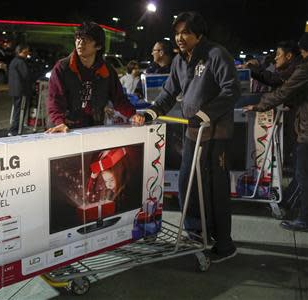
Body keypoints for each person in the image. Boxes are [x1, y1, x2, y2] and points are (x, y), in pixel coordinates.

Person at [143, 11, 241, 262]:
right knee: (187, 184)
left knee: (214, 188)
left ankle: (224, 244)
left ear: (199, 34)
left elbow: (231, 90)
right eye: (177, 33)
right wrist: (152, 112)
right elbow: (168, 92)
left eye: (185, 32)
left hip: (216, 134)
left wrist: (206, 114)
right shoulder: (179, 61)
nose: (180, 38)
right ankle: (198, 233)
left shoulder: (216, 55)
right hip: (193, 133)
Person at [243, 33, 308, 232]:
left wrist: (258, 106)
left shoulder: (304, 68)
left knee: (302, 173)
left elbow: (284, 90)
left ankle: (304, 219)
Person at [46, 21, 144, 133]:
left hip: (94, 128)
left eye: (86, 39)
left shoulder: (107, 71)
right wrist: (59, 122)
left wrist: (133, 114)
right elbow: (54, 101)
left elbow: (119, 99)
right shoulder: (62, 68)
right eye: (78, 38)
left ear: (98, 46)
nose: (80, 43)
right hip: (65, 128)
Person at [7, 44, 31, 136]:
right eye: (27, 51)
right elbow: (26, 75)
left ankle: (13, 129)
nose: (28, 53)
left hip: (14, 90)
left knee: (16, 110)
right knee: (20, 111)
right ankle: (16, 129)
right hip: (21, 90)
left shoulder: (14, 61)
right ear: (22, 51)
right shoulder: (21, 62)